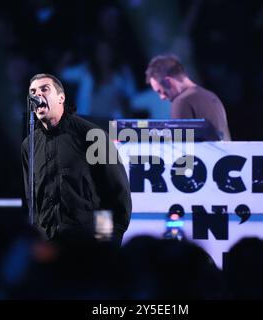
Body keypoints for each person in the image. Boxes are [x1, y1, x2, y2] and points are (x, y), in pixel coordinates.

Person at [21, 73, 132, 245]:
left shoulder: (91, 135)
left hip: (87, 247)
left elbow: (114, 195)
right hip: (48, 248)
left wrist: (105, 243)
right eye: (33, 91)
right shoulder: (29, 145)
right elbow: (31, 200)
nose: (38, 95)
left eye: (44, 89)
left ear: (61, 98)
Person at [145, 54, 232, 141]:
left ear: (168, 82)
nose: (162, 97)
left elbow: (180, 149)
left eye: (160, 91)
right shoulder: (211, 96)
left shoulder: (181, 102)